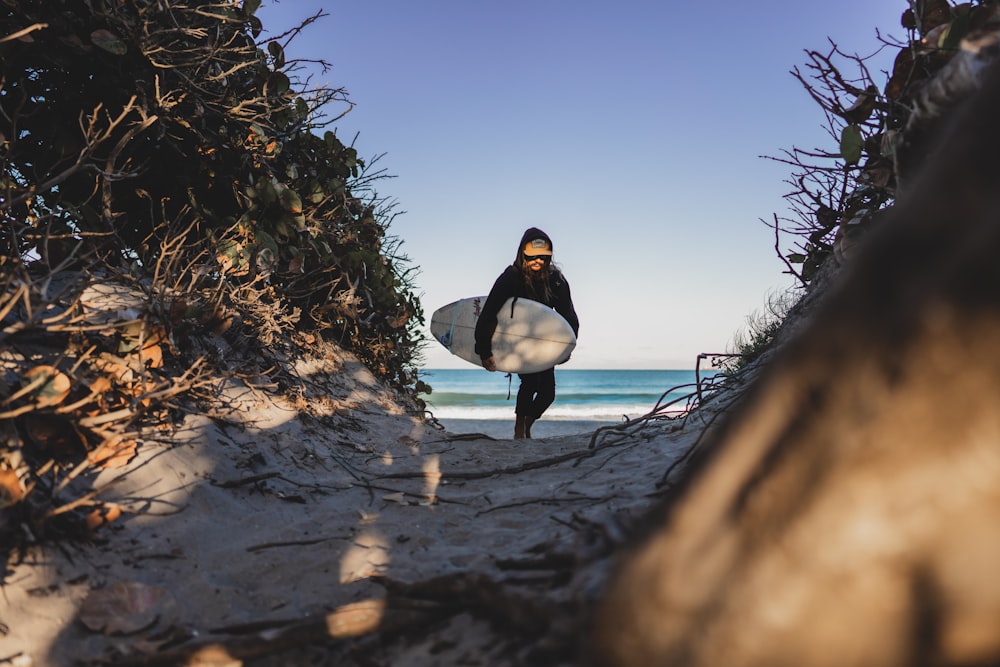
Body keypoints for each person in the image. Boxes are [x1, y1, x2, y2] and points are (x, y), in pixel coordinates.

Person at [474, 228, 579, 439]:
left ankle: (527, 424)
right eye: (533, 256)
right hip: (517, 343)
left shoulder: (556, 280)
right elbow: (489, 313)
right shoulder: (511, 278)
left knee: (548, 393)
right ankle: (519, 428)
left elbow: (568, 314)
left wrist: (568, 345)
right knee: (531, 382)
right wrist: (484, 350)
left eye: (543, 256)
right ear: (523, 253)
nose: (538, 260)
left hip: (544, 344)